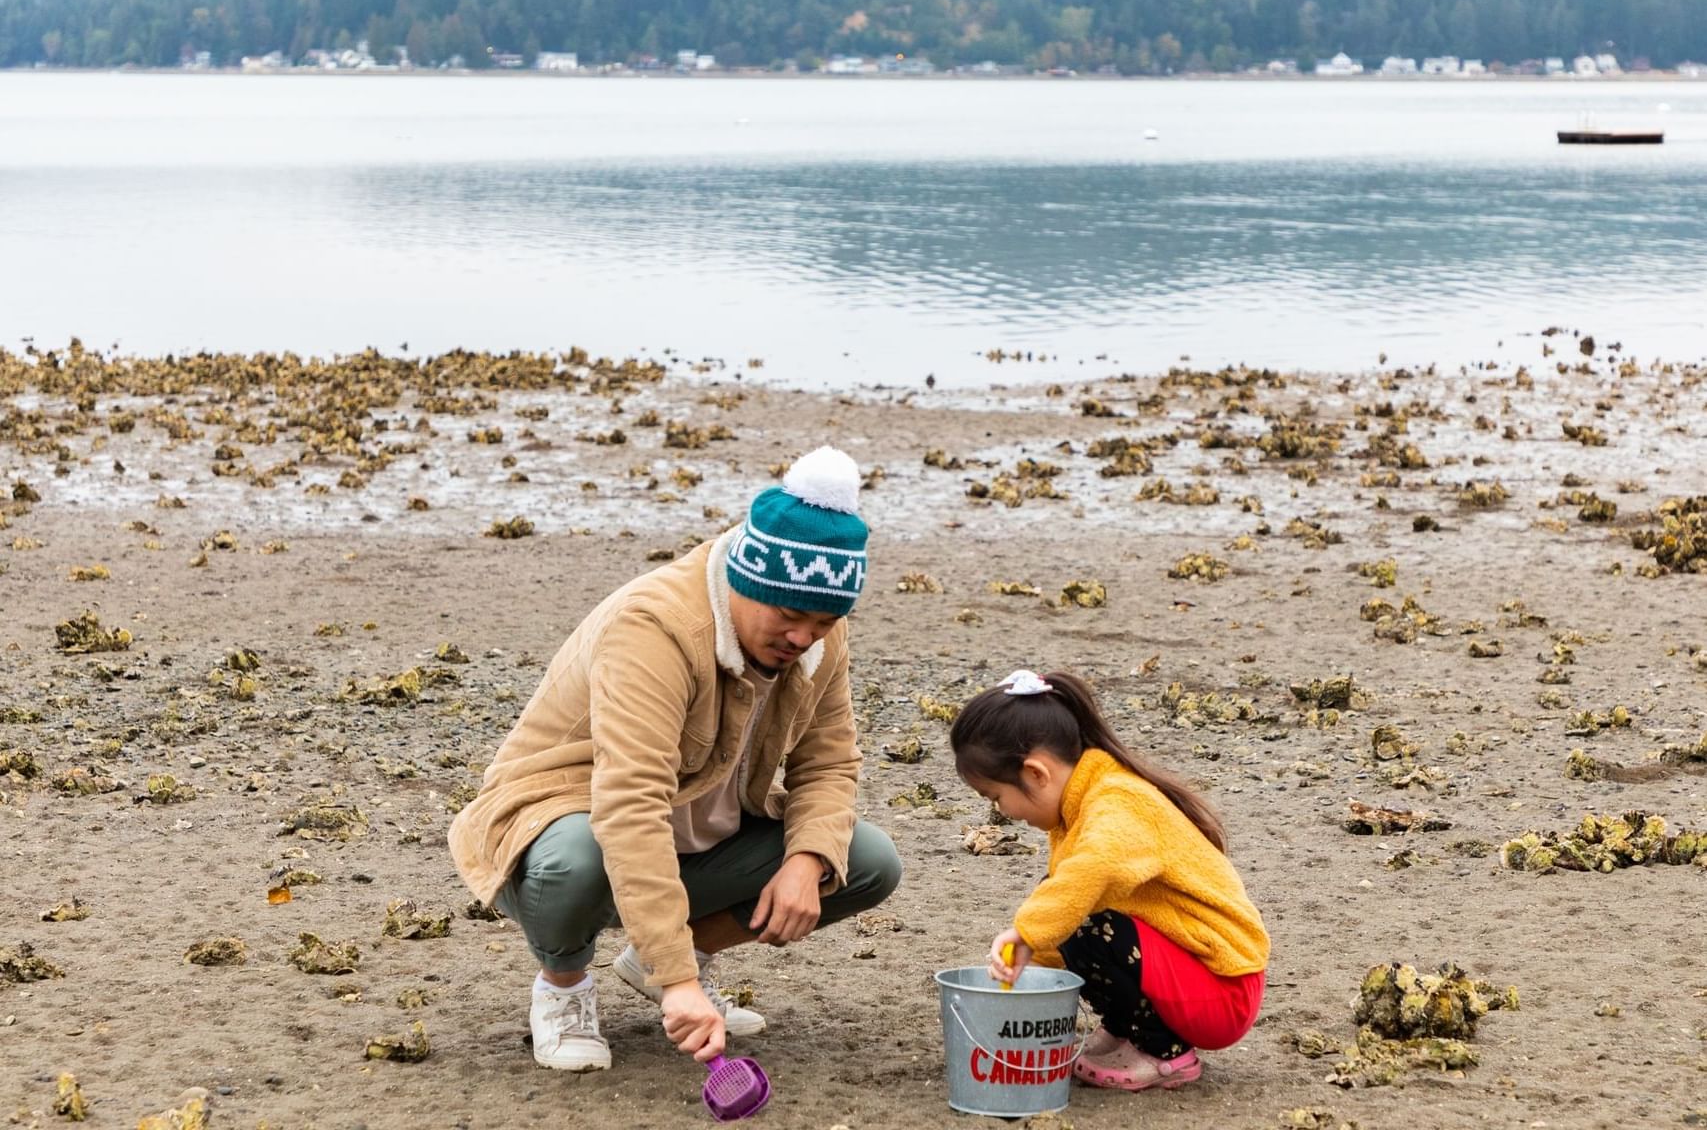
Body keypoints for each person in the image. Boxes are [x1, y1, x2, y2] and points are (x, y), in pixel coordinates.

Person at [449, 446, 903, 1072]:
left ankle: (660, 960)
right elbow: (629, 803)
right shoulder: (654, 627)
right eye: (790, 616)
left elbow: (827, 762)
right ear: (748, 583)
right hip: (565, 821)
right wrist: (681, 984)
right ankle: (563, 988)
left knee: (865, 861)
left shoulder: (821, 632)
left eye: (824, 623)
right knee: (575, 858)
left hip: (700, 826)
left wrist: (806, 859)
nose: (803, 637)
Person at [948, 669, 1268, 1092]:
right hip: (1193, 972)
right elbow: (1066, 891)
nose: (1002, 811)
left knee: (1083, 918)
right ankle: (1126, 1030)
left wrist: (1026, 932)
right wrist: (1025, 979)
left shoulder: (1118, 800)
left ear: (1036, 774)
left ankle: (1163, 1052)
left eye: (995, 797)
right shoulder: (1080, 805)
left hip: (1222, 989)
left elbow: (1091, 872)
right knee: (1069, 908)